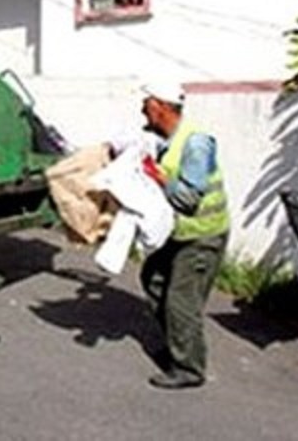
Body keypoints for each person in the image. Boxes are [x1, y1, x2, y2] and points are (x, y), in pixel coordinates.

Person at [111, 80, 230, 390]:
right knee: (154, 279)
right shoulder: (165, 137)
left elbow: (189, 197)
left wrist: (159, 177)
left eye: (146, 102)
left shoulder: (196, 143)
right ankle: (181, 343)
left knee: (181, 301)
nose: (141, 108)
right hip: (179, 234)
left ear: (159, 106)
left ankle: (189, 367)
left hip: (202, 236)